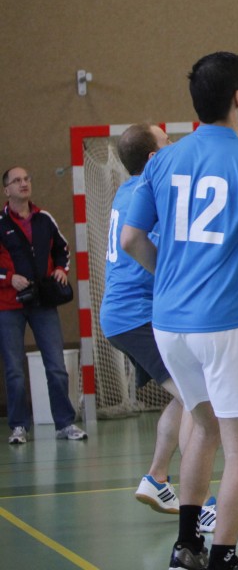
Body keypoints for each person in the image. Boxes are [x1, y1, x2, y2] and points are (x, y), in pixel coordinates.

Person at [122, 51, 238, 570]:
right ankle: (223, 556)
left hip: (169, 325)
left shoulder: (161, 161)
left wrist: (172, 280)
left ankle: (187, 549)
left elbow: (131, 239)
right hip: (223, 325)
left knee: (202, 426)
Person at [102, 123, 186, 512]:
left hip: (131, 315)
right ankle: (197, 504)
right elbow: (142, 246)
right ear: (154, 158)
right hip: (135, 316)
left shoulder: (128, 190)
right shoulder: (151, 193)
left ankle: (157, 478)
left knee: (191, 396)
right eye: (167, 141)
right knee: (201, 403)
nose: (174, 145)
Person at [0, 166, 86, 443]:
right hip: (8, 306)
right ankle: (19, 427)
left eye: (26, 179)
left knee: (56, 365)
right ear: (7, 190)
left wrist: (61, 269)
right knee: (14, 369)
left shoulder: (44, 219)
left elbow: (62, 249)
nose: (23, 183)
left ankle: (65, 424)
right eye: (17, 180)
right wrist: (10, 278)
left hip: (43, 303)